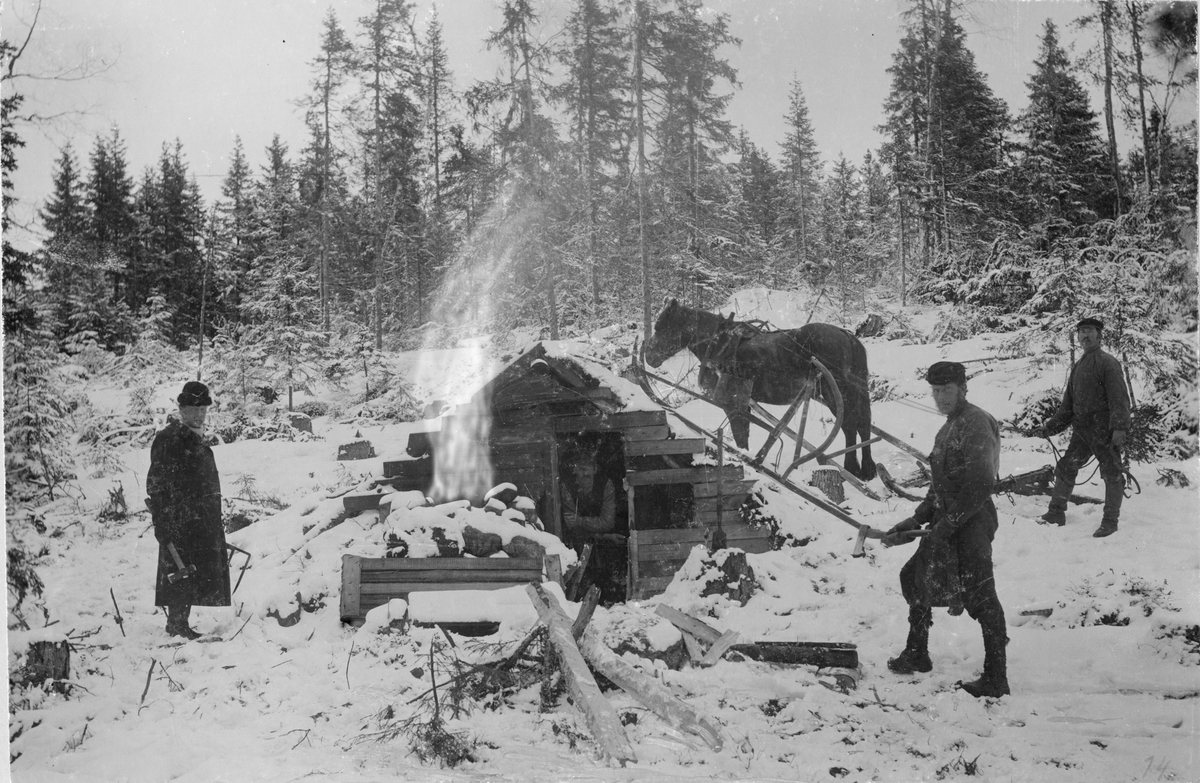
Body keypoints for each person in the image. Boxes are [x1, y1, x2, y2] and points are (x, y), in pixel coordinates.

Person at [882, 361, 1009, 698]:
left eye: (947, 390)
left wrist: (949, 525)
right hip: (947, 521)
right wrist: (915, 520)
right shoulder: (948, 427)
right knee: (915, 577)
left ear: (962, 389)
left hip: (972, 522)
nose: (940, 397)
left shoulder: (975, 423)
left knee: (981, 596)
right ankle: (917, 653)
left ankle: (997, 678)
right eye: (935, 391)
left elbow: (980, 482)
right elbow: (938, 487)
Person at [146, 381, 231, 639]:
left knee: (193, 568)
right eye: (194, 409)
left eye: (203, 408)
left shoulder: (196, 438)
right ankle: (177, 624)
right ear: (181, 409)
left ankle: (180, 623)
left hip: (200, 519)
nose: (200, 413)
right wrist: (162, 520)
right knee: (179, 568)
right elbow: (157, 483)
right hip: (178, 519)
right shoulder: (168, 439)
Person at [1035, 317, 1131, 538]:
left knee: (1112, 472)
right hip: (1081, 430)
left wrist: (1119, 427)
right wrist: (1049, 428)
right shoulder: (1077, 367)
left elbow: (1119, 398)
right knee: (1067, 466)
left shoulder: (1108, 362)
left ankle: (1110, 521)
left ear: (1099, 336)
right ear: (1077, 338)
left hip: (1104, 430)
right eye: (1082, 332)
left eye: (1090, 331)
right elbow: (1067, 407)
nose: (1085, 336)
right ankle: (1056, 513)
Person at [560, 442, 617, 537]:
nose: (585, 473)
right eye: (582, 469)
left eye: (589, 468)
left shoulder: (606, 484)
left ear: (595, 469)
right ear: (575, 470)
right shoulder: (567, 487)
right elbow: (572, 525)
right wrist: (602, 536)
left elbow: (608, 523)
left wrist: (580, 521)